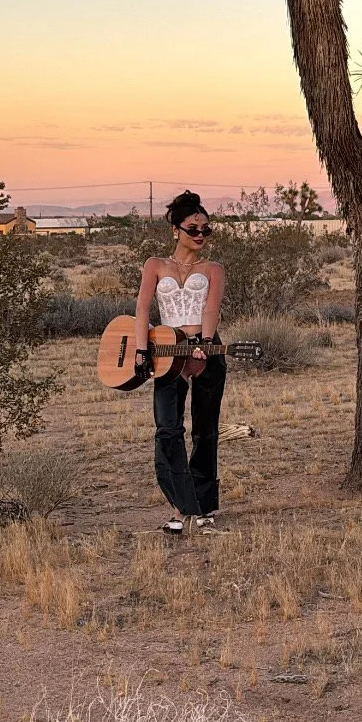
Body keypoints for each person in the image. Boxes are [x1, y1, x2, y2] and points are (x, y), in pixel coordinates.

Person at [132, 190, 227, 534]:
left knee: (205, 430)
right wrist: (142, 351)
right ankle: (180, 505)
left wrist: (203, 342)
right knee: (168, 430)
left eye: (206, 229)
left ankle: (201, 506)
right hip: (166, 351)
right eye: (193, 228)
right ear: (176, 230)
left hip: (205, 350)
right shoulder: (155, 265)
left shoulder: (213, 269)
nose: (201, 235)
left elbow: (211, 308)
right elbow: (142, 309)